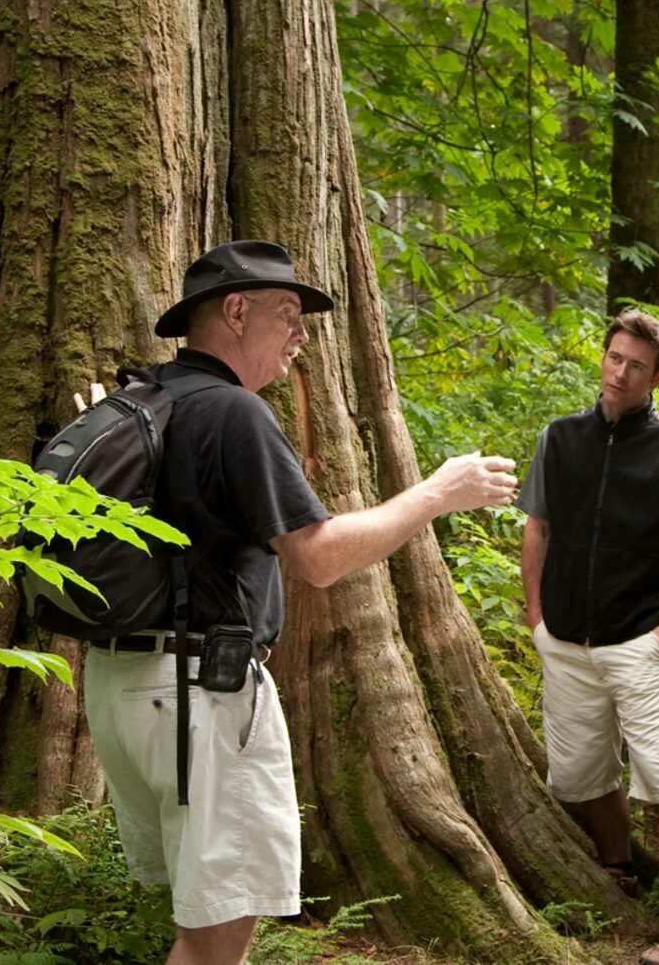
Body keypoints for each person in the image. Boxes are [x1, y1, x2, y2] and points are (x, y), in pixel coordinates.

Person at [82, 240, 519, 965]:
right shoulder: (231, 412)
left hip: (122, 687)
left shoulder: (144, 398)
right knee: (216, 939)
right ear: (234, 310)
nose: (302, 335)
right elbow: (318, 557)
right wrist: (439, 492)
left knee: (206, 927)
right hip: (200, 696)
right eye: (288, 314)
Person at [517, 310, 659, 965]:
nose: (619, 372)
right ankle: (616, 871)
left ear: (656, 376)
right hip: (566, 638)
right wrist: (537, 620)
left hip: (638, 636)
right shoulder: (561, 437)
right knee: (579, 772)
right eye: (613, 357)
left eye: (635, 365)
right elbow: (537, 529)